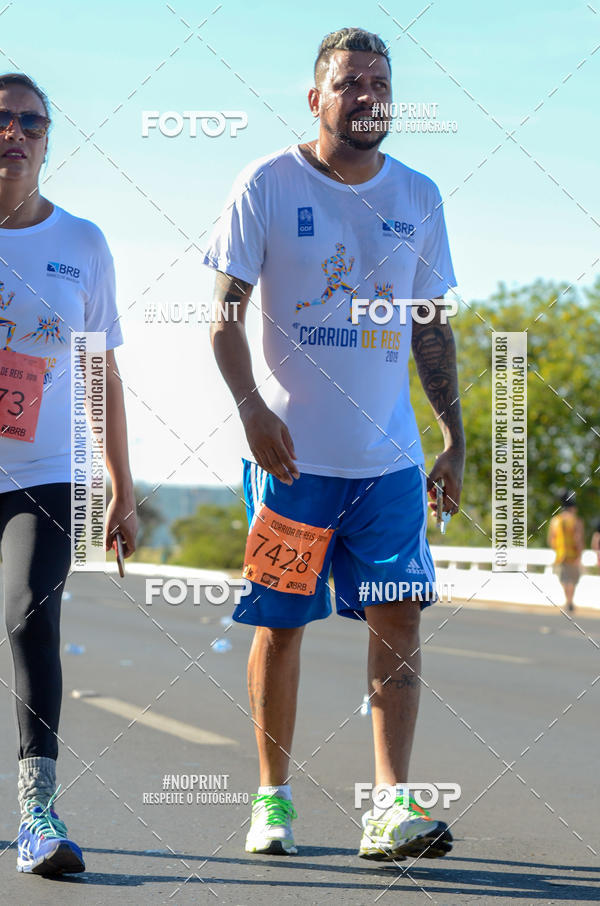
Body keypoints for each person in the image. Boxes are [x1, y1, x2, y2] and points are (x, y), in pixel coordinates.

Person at [206, 28, 464, 862]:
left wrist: (453, 436)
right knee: (281, 625)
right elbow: (223, 317)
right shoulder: (267, 184)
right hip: (291, 464)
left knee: (398, 624)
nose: (367, 96)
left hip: (386, 465)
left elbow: (432, 326)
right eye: (350, 82)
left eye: (380, 82)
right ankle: (272, 800)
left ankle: (389, 805)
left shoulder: (418, 195)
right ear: (315, 98)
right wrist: (250, 411)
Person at [0, 73, 137, 875]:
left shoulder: (82, 243)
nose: (15, 132)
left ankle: (38, 813)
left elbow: (99, 374)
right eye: (2, 118)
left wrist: (121, 480)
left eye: (32, 123)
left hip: (45, 473)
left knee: (27, 615)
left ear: (48, 140)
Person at [548, 491, 584, 612]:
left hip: (560, 555)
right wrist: (580, 554)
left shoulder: (555, 520)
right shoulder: (576, 520)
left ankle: (567, 600)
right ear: (573, 508)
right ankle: (570, 601)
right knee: (572, 581)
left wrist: (558, 549)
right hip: (573, 555)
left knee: (564, 579)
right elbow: (578, 538)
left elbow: (551, 539)